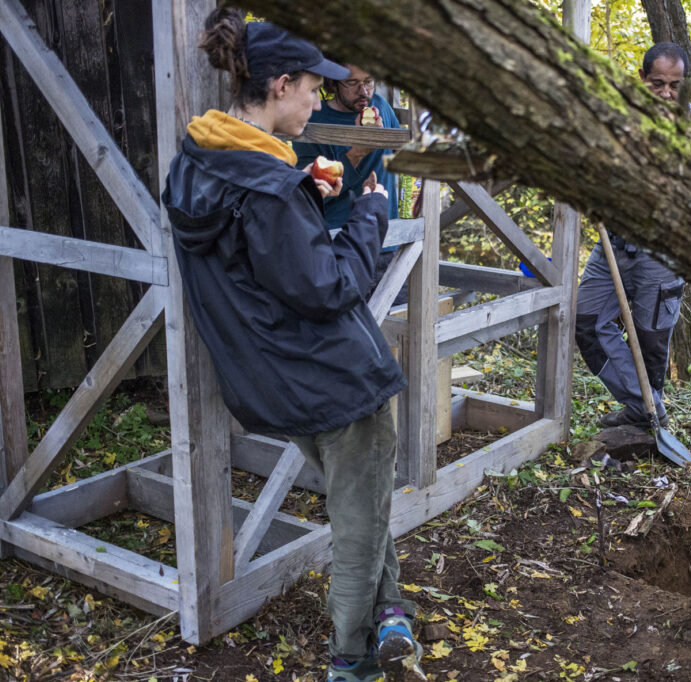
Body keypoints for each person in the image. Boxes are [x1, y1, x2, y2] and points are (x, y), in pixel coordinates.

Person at [161, 9, 423, 681]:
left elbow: (255, 259)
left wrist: (304, 194)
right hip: (335, 378)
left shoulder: (197, 162)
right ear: (281, 85)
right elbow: (330, 289)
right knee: (359, 522)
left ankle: (391, 614)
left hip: (274, 377)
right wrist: (369, 214)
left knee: (360, 502)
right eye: (312, 88)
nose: (317, 102)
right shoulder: (269, 189)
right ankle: (351, 660)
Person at [574, 42, 691, 432]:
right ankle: (647, 408)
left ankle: (645, 416)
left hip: (662, 254)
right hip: (613, 243)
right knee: (586, 322)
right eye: (657, 83)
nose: (666, 94)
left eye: (675, 85)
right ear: (642, 78)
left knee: (651, 342)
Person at [294, 63, 405, 303]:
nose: (363, 92)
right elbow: (311, 194)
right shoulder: (313, 120)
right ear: (333, 83)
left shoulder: (381, 106)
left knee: (399, 325)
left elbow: (401, 157)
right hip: (341, 248)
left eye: (369, 82)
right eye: (352, 83)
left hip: (390, 246)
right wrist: (357, 152)